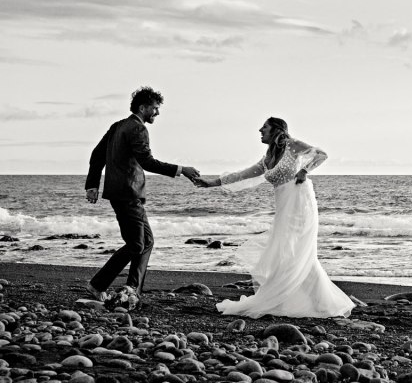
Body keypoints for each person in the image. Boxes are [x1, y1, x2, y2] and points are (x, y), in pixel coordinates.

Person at [195, 117, 354, 318]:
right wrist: (211, 183)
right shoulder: (267, 158)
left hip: (300, 203)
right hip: (284, 206)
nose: (260, 130)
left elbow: (321, 155)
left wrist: (304, 170)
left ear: (277, 130)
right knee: (286, 251)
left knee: (297, 250)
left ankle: (321, 302)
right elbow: (242, 175)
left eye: (265, 127)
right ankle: (303, 300)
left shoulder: (292, 145)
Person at [84, 86, 200, 302]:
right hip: (128, 193)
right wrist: (182, 170)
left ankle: (132, 290)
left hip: (120, 193)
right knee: (136, 244)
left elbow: (97, 154)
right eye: (155, 108)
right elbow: (147, 161)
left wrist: (92, 185)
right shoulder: (137, 129)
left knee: (146, 241)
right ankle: (97, 284)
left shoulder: (118, 126)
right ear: (143, 107)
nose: (157, 113)